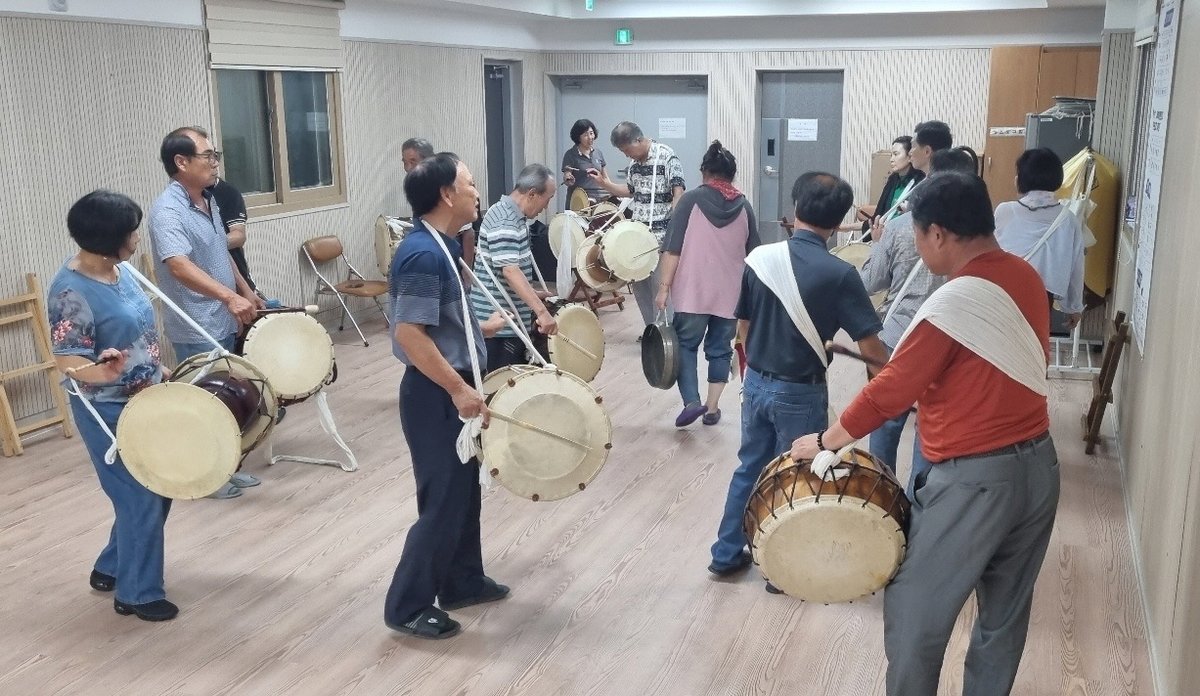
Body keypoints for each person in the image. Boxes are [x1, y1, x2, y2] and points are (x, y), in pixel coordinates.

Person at [791, 171, 1059, 696]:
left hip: (976, 481)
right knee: (1003, 616)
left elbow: (890, 392)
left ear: (937, 233)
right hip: (1039, 469)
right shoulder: (1025, 276)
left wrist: (825, 441)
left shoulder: (955, 302)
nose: (916, 246)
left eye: (915, 234)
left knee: (915, 610)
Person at [707, 172, 887, 578]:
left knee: (749, 468)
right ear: (838, 222)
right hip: (801, 394)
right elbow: (872, 350)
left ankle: (725, 553)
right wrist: (884, 397)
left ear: (796, 207)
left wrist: (751, 371)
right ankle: (781, 570)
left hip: (756, 384)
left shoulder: (759, 260)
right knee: (798, 476)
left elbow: (743, 328)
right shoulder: (840, 274)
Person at [384, 153, 509, 640]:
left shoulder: (444, 245)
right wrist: (457, 389)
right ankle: (408, 605)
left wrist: (478, 329)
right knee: (442, 499)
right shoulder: (424, 254)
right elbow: (409, 333)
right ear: (446, 194)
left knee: (464, 491)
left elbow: (437, 322)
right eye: (470, 183)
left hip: (453, 383)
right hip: (436, 391)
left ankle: (462, 582)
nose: (478, 192)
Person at [48, 190, 178, 622]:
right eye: (131, 232)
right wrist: (101, 370)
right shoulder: (70, 292)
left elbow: (138, 329)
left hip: (145, 397)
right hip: (105, 409)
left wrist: (156, 368)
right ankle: (138, 593)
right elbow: (68, 360)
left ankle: (110, 565)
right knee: (139, 495)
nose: (137, 238)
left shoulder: (120, 271)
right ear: (109, 240)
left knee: (159, 487)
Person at [148, 126, 262, 500]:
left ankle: (225, 468)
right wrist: (228, 298)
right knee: (203, 404)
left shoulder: (208, 200)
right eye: (208, 156)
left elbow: (219, 251)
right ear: (181, 162)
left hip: (223, 316)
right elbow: (179, 266)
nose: (215, 163)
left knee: (226, 398)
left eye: (216, 156)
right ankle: (207, 476)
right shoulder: (168, 211)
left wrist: (244, 290)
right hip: (195, 322)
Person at [859, 147, 976, 489]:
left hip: (898, 333)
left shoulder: (899, 227)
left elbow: (870, 282)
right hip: (952, 335)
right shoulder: (977, 231)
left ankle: (881, 492)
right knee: (931, 420)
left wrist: (876, 244)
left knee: (886, 414)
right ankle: (919, 498)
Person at [656, 141, 760, 428]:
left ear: (704, 172)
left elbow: (672, 249)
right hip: (731, 294)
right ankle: (712, 409)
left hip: (693, 291)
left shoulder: (690, 200)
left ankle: (692, 402)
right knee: (720, 349)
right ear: (732, 175)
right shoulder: (744, 206)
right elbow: (754, 254)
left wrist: (663, 288)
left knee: (686, 345)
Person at [588, 121, 686, 326]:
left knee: (661, 288)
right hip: (637, 239)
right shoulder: (634, 165)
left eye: (627, 150)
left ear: (639, 140)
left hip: (660, 240)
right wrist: (605, 184)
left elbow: (678, 193)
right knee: (640, 288)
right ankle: (651, 331)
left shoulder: (666, 156)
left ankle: (666, 334)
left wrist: (675, 229)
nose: (626, 155)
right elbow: (630, 191)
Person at [469, 164, 559, 373]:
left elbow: (505, 268)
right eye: (548, 199)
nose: (546, 206)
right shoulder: (506, 221)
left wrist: (532, 293)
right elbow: (509, 271)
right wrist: (542, 312)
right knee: (501, 385)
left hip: (507, 321)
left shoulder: (508, 213)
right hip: (499, 328)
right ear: (532, 194)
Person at [994, 147, 1085, 330]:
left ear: (1020, 179)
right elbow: (1076, 267)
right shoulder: (1068, 219)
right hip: (1041, 298)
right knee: (1033, 343)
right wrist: (1073, 307)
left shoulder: (1004, 211)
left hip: (1002, 294)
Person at [402, 137, 476, 267]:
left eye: (413, 162)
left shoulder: (444, 183)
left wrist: (466, 269)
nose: (408, 168)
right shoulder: (423, 254)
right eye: (405, 163)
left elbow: (468, 232)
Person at [859, 136, 925, 240]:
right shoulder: (893, 180)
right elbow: (879, 216)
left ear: (909, 157)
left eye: (896, 154)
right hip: (885, 236)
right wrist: (845, 227)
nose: (891, 159)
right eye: (891, 155)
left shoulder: (921, 182)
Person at [206, 177, 258, 295]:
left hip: (233, 277)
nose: (214, 167)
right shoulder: (181, 199)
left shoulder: (228, 192)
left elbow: (239, 235)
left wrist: (209, 246)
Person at [561, 119, 609, 206]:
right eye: (586, 135)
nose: (590, 137)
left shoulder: (598, 153)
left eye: (591, 133)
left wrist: (613, 191)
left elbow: (605, 177)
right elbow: (567, 175)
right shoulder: (570, 154)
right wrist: (568, 179)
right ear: (578, 137)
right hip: (578, 200)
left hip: (597, 200)